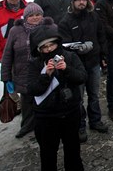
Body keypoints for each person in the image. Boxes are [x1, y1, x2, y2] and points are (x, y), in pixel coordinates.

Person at [26, 19, 86, 171]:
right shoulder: (35, 63)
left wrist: (67, 70)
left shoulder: (70, 57)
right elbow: (32, 89)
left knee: (72, 150)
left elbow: (82, 77)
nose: (49, 49)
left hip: (70, 113)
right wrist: (46, 75)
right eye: (44, 47)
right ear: (38, 49)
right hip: (46, 117)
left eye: (51, 45)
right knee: (48, 154)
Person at [58, 0, 109, 142]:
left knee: (94, 94)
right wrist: (78, 48)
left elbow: (101, 36)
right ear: (73, 1)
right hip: (76, 66)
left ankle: (95, 121)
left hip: (93, 62)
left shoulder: (93, 16)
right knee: (77, 98)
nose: (81, 2)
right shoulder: (65, 21)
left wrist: (103, 55)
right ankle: (79, 125)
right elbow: (64, 45)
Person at [0, 2, 45, 138]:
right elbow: (8, 54)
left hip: (43, 73)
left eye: (38, 15)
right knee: (27, 103)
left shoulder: (50, 27)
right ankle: (26, 126)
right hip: (23, 74)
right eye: (31, 15)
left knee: (44, 102)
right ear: (25, 17)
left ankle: (43, 129)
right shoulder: (15, 31)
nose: (35, 18)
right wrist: (6, 77)